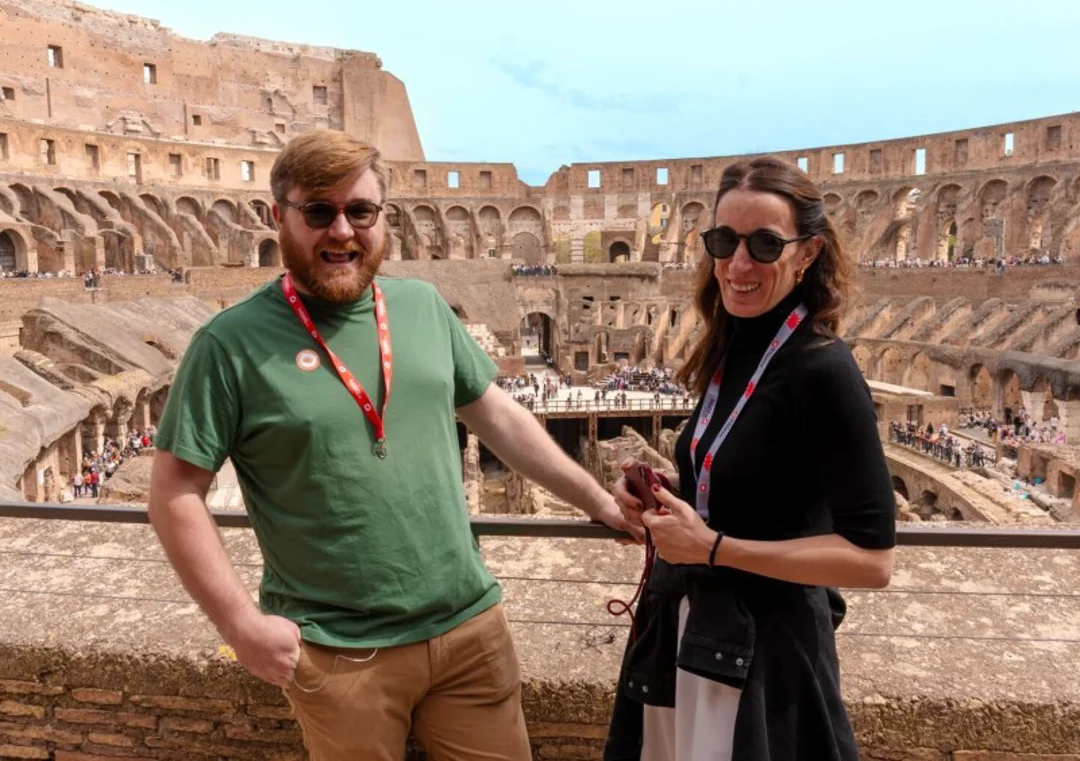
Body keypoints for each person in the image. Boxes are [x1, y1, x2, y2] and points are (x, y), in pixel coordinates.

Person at [149, 130, 626, 761]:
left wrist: (600, 500)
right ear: (279, 218)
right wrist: (238, 624)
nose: (342, 231)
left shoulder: (422, 305)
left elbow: (498, 417)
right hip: (340, 652)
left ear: (384, 219)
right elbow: (175, 491)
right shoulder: (228, 344)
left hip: (468, 630)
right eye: (319, 212)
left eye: (360, 212)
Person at [604, 157, 896, 761]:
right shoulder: (734, 340)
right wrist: (660, 496)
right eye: (724, 241)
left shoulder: (824, 369)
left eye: (764, 244)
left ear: (808, 253)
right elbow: (744, 484)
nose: (738, 264)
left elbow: (872, 561)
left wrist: (710, 547)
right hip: (699, 632)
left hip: (769, 651)